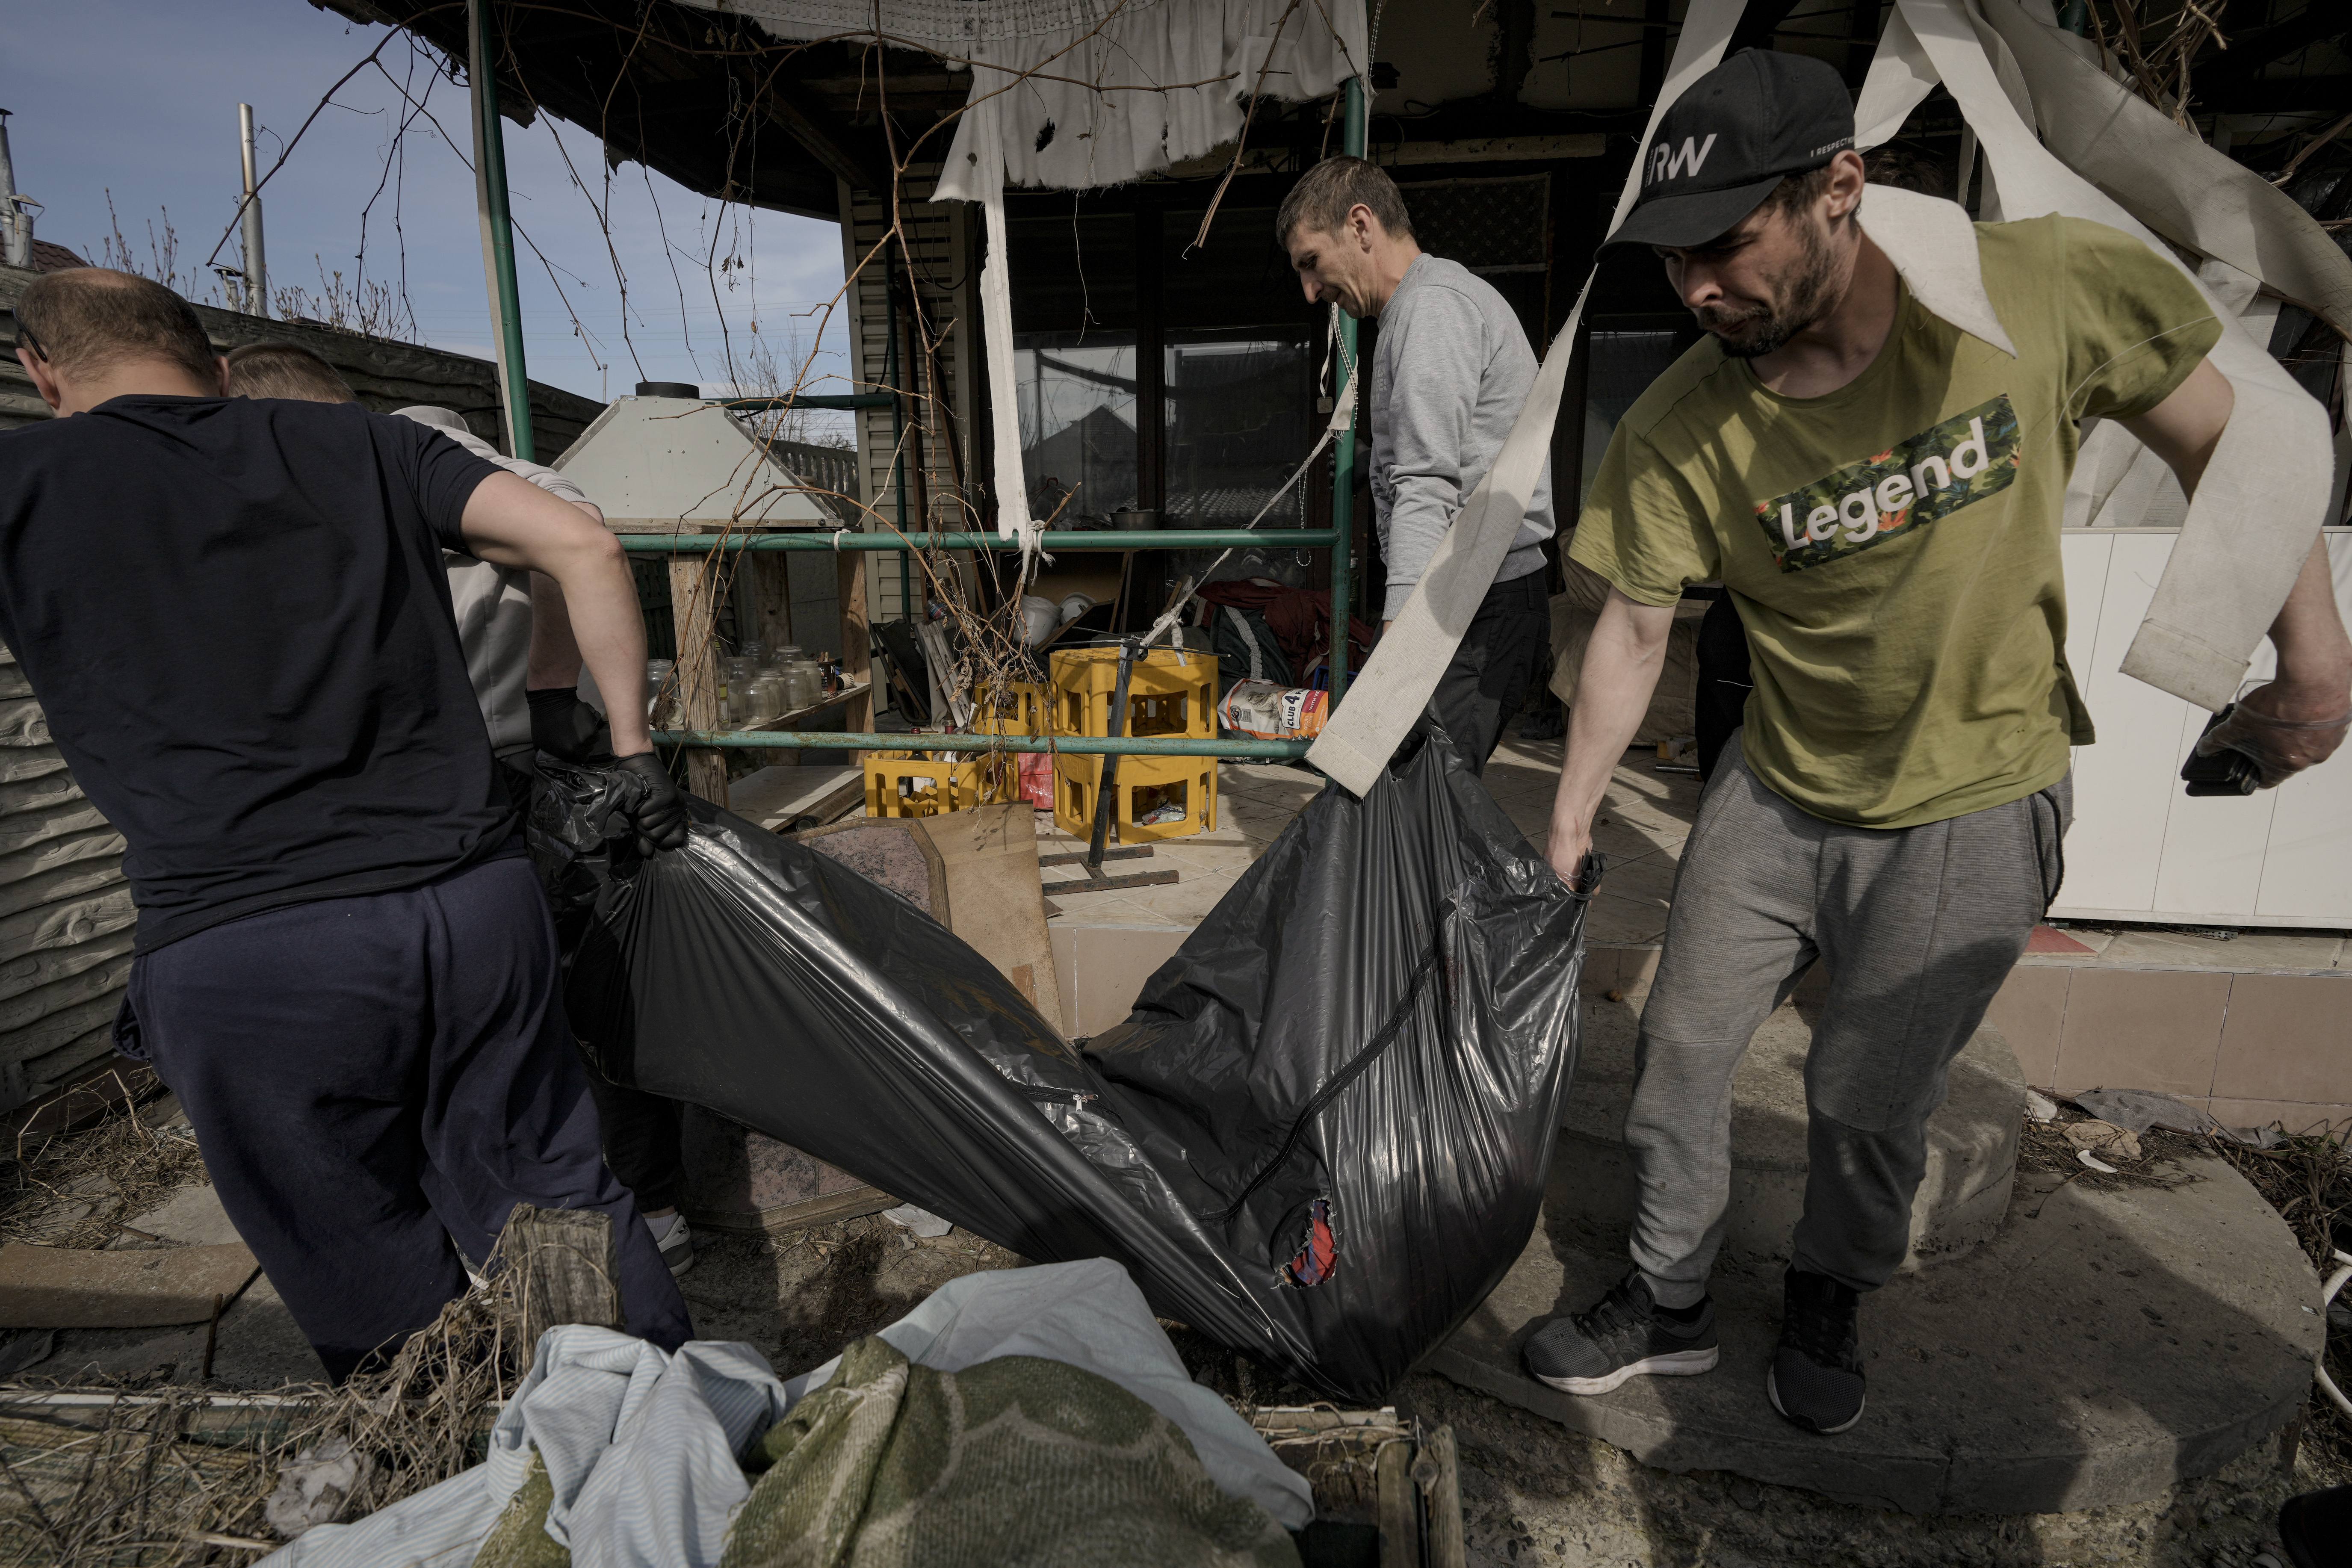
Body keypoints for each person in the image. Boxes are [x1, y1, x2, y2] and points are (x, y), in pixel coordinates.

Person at [1525, 50, 2351, 1435]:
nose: (1694, 290)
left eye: (1723, 245)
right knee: (1677, 1047)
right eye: (1669, 260)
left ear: (1838, 188)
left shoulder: (2037, 291)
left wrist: (2311, 671)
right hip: (1779, 788)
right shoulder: (1684, 423)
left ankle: (1828, 1287)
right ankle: (1665, 1297)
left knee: (1867, 1095)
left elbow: (2243, 444)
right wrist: (1567, 819)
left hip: (1972, 800)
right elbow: (1632, 628)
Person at [1, 269, 696, 1381]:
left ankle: (443, 1454)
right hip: (469, 911)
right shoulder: (366, 443)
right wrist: (625, 743)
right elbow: (585, 545)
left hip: (244, 949)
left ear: (40, 372)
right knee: (549, 1191)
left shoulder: (23, 481)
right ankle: (646, 1414)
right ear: (213, 366)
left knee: (357, 1249)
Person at [222, 346, 698, 1277]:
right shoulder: (416, 470)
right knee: (563, 996)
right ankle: (617, 1207)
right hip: (490, 773)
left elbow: (580, 538)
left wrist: (554, 689)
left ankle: (629, 1211)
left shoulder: (411, 468)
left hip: (501, 775)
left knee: (548, 1002)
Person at [1277, 156, 1555, 770]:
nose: (1310, 291)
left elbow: (1428, 479)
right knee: (1408, 792)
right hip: (1466, 595)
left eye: (1311, 262)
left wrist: (1398, 640)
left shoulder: (1432, 309)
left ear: (1360, 226)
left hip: (1477, 601)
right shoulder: (1419, 308)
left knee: (1416, 793)